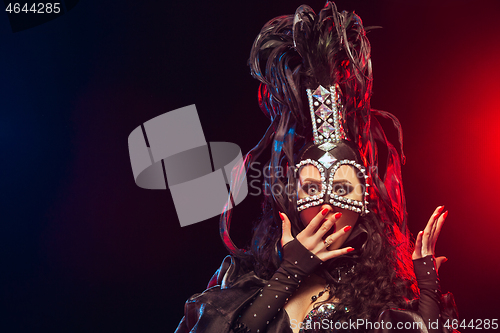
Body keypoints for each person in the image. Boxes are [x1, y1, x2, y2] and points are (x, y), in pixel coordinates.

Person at [176, 2, 458, 332]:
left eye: (342, 188)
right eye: (311, 187)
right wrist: (287, 276)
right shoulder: (239, 279)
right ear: (292, 198)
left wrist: (428, 304)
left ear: (364, 199)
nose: (327, 202)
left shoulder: (382, 302)